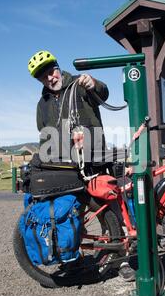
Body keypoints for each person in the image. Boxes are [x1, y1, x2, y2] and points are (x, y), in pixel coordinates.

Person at [28, 50, 135, 282]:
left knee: (111, 207)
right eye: (42, 76)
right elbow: (44, 134)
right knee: (71, 212)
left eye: (51, 71)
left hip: (93, 157)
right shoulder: (42, 103)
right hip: (65, 167)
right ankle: (71, 258)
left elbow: (104, 93)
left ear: (58, 67)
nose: (49, 78)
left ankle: (122, 259)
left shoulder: (80, 83)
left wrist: (93, 83)